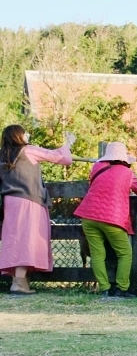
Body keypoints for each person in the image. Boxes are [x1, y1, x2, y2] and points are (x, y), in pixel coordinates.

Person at [0, 126, 75, 294]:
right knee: (27, 239)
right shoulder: (29, 150)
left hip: (9, 201)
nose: (27, 135)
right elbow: (61, 157)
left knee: (14, 238)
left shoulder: (3, 154)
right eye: (24, 132)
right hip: (28, 200)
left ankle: (19, 279)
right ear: (19, 136)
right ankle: (19, 283)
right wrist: (68, 143)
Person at [73, 142, 137, 298]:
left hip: (88, 215)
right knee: (125, 253)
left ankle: (105, 289)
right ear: (124, 158)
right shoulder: (127, 173)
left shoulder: (96, 167)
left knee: (97, 254)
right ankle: (121, 289)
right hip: (112, 217)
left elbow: (93, 184)